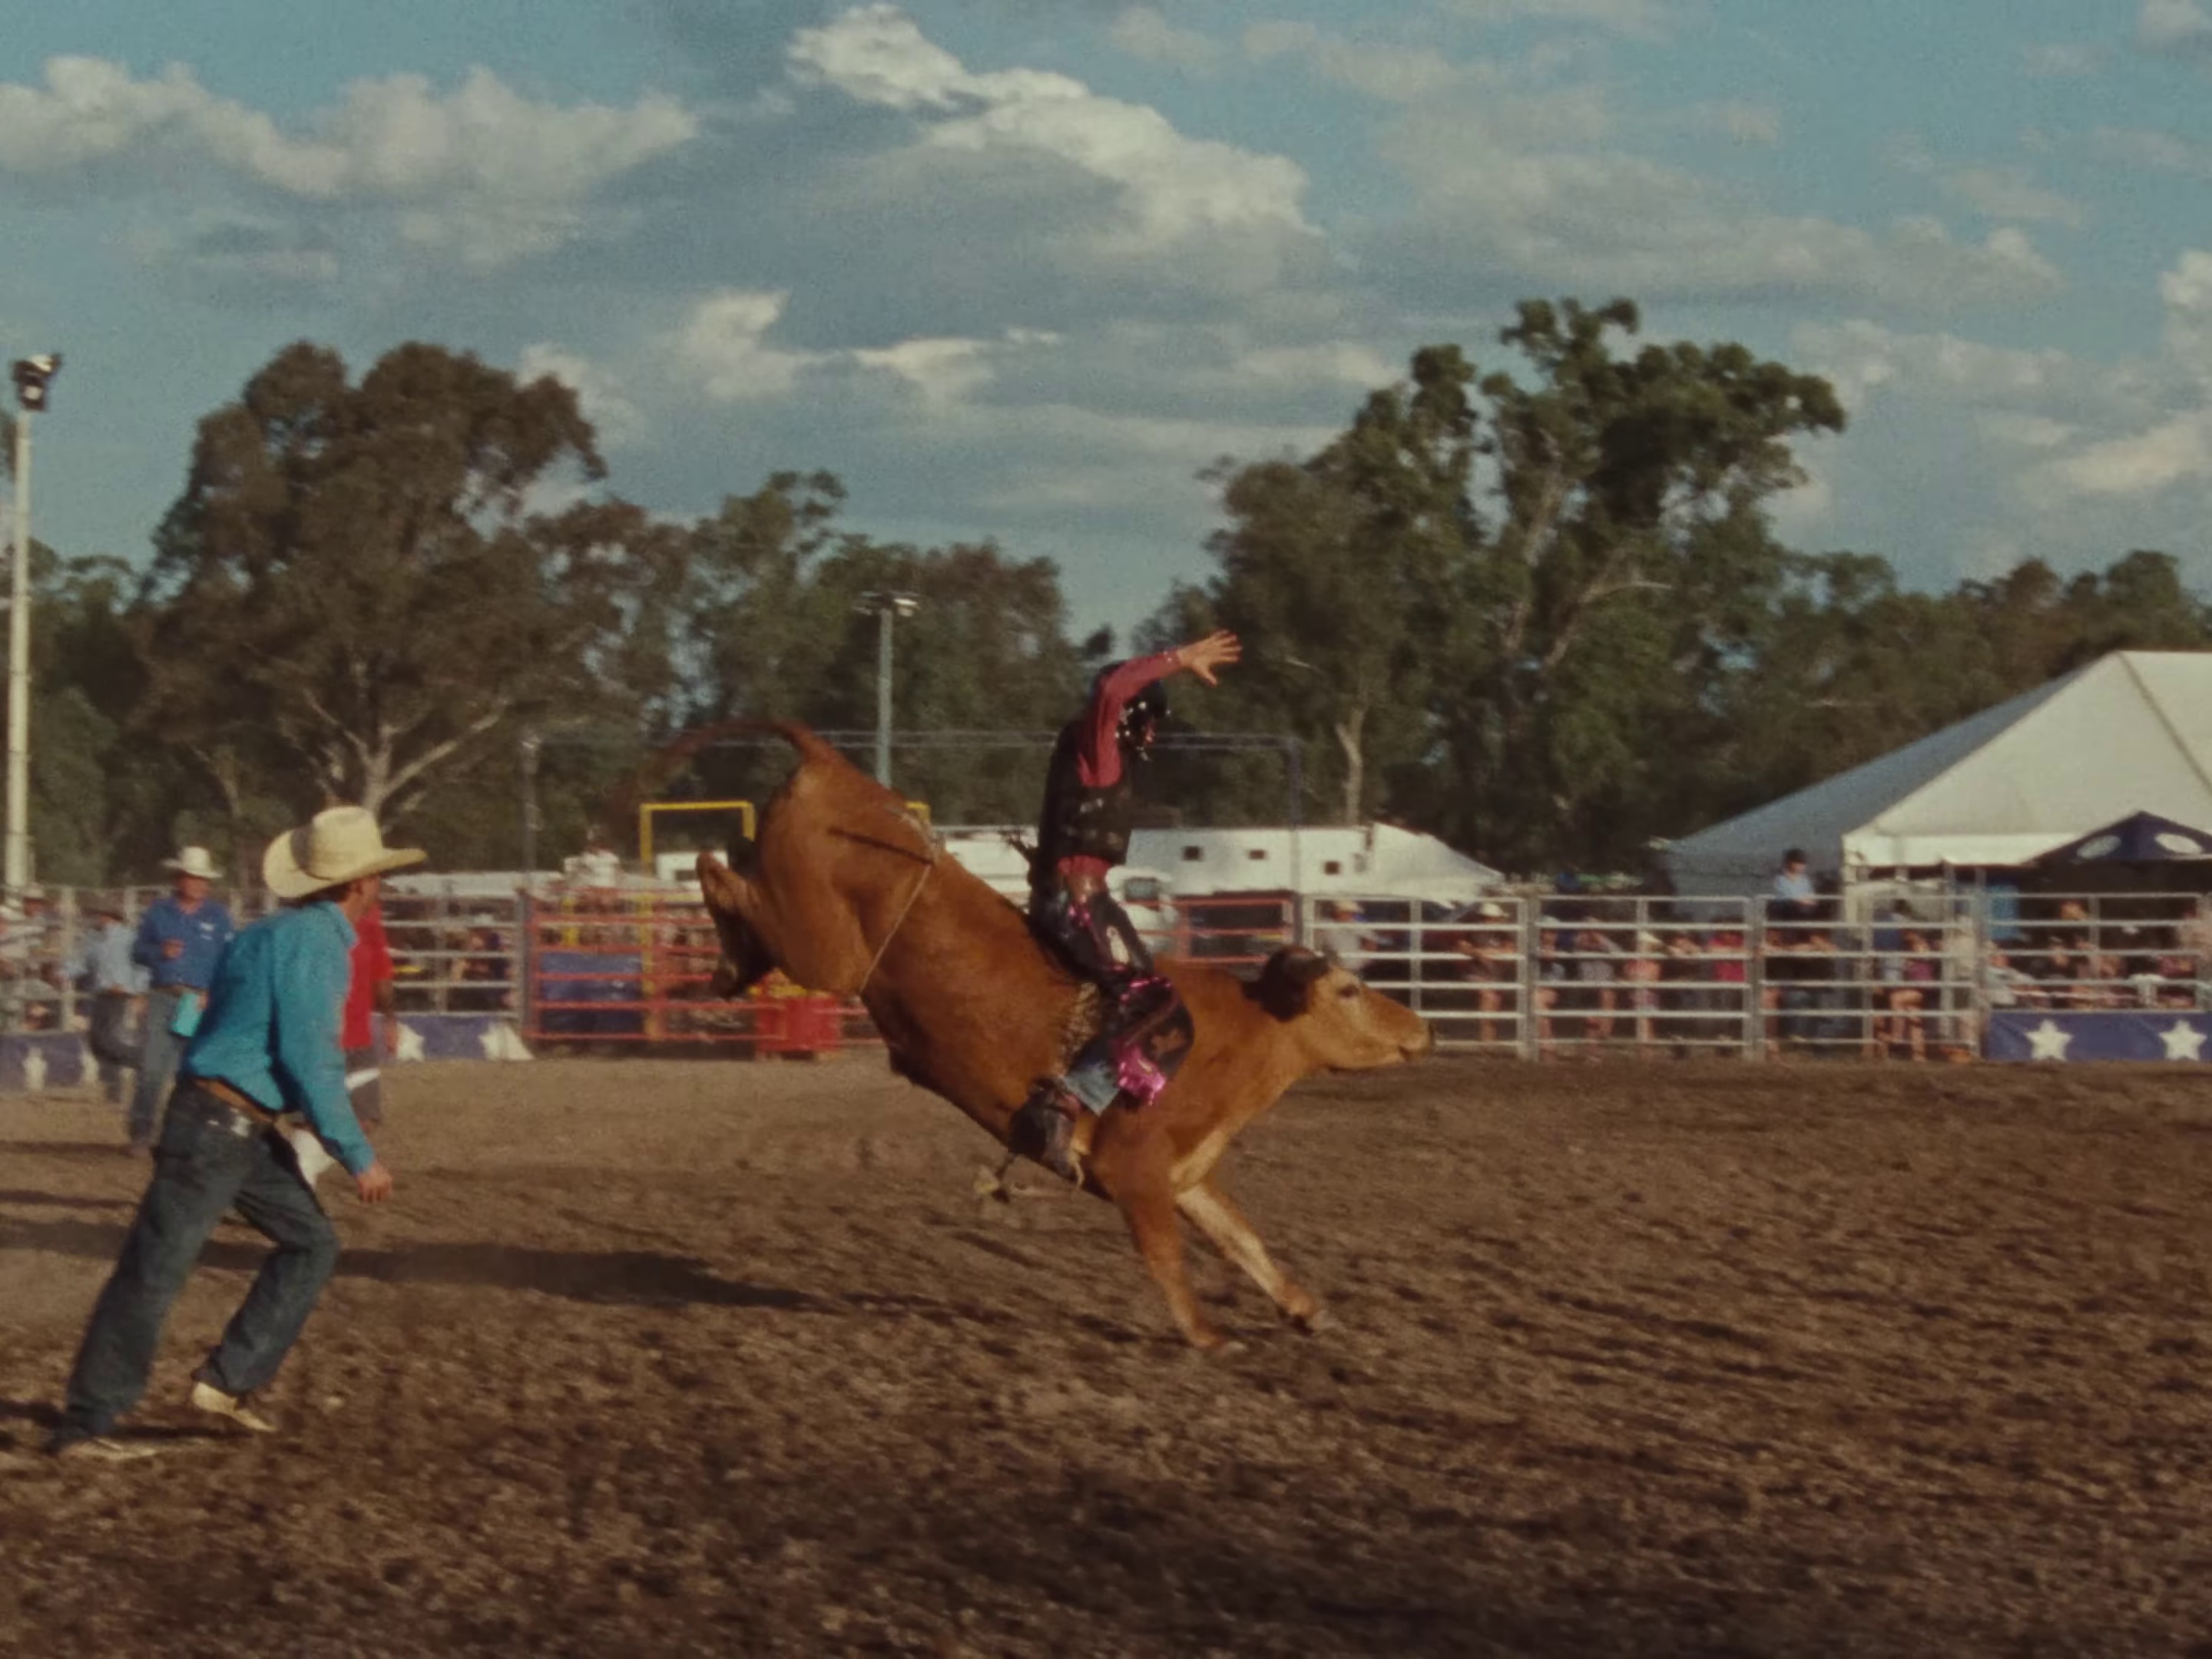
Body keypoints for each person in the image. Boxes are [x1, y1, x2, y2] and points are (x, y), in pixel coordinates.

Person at [45, 806, 420, 1462]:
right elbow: (311, 1057)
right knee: (159, 1267)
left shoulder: (264, 933)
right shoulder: (319, 947)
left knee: (308, 1242)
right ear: (363, 883)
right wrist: (357, 1154)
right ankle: (89, 1420)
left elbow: (214, 1016)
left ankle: (226, 1382)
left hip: (224, 1117)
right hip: (224, 1124)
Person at [1013, 630, 1242, 1177]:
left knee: (1140, 994)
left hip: (1073, 897)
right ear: (1133, 716)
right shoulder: (1099, 747)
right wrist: (1179, 659)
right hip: (1079, 904)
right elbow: (1112, 689)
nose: (1153, 733)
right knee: (1158, 1006)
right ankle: (1065, 1104)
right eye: (1150, 719)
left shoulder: (1087, 756)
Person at [127, 846, 235, 1151]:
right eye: (191, 878)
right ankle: (141, 1132)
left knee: (196, 1071)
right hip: (163, 996)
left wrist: (213, 993)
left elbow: (229, 959)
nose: (198, 884)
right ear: (179, 879)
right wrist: (158, 952)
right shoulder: (158, 912)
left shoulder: (218, 916)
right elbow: (137, 952)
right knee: (151, 1069)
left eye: (202, 879)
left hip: (199, 1001)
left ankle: (190, 1132)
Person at [74, 899, 148, 1111]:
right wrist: (65, 972)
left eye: (102, 915)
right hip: (101, 993)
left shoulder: (129, 938)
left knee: (108, 1039)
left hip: (120, 994)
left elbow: (142, 966)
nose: (99, 919)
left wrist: (137, 990)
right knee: (97, 1042)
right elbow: (81, 961)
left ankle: (141, 1061)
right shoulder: (94, 939)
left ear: (111, 918)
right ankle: (113, 1088)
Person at [1313, 899, 1373, 975]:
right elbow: (1316, 940)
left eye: (1351, 913)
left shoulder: (1357, 926)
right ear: (1337, 912)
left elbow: (1370, 942)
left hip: (1352, 968)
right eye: (1346, 912)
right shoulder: (1325, 924)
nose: (1349, 915)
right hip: (1331, 968)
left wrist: (1363, 960)